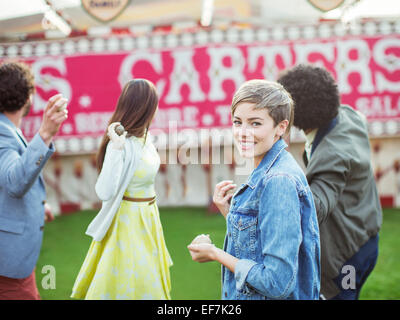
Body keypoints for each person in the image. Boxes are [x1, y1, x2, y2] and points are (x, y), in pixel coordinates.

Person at [188, 80, 321, 300]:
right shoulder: (268, 166)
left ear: (281, 127)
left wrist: (215, 253)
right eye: (238, 122)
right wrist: (230, 214)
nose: (243, 132)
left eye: (255, 123)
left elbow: (276, 282)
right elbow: (259, 243)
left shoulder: (278, 180)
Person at [277, 64, 382, 300]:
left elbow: (315, 206)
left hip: (345, 261)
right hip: (367, 241)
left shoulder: (332, 154)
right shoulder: (349, 115)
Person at [71, 79, 173, 300]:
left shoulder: (145, 138)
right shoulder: (122, 144)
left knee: (147, 280)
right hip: (128, 222)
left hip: (149, 218)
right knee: (132, 282)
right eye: (154, 103)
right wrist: (115, 148)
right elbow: (104, 192)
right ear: (145, 106)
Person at [0, 61, 68, 300]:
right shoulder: (2, 133)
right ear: (28, 97)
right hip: (8, 268)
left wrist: (37, 208)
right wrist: (45, 134)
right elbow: (15, 182)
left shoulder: (6, 129)